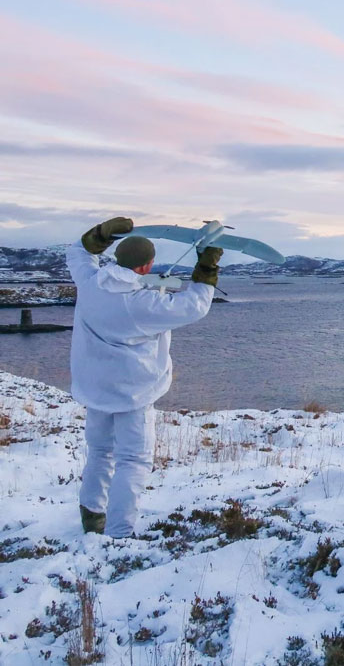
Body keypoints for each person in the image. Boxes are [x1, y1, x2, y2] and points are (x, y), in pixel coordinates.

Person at [67, 217, 223, 538]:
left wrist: (101, 234)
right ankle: (119, 533)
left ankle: (91, 517)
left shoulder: (91, 282)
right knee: (133, 461)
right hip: (132, 393)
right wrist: (206, 266)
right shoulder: (141, 304)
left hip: (94, 388)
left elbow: (77, 253)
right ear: (147, 265)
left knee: (99, 453)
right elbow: (194, 305)